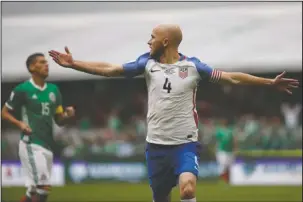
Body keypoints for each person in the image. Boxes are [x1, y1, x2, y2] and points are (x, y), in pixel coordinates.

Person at [49, 24, 299, 202]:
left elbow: (231, 77)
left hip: (185, 145)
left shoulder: (193, 67)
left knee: (188, 190)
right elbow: (110, 69)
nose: (148, 42)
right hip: (155, 146)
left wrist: (268, 83)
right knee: (161, 198)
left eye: (152, 37)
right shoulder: (146, 64)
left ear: (165, 41)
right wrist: (75, 64)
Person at [1, 53, 75, 202]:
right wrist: (20, 124)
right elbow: (4, 112)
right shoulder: (23, 89)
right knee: (44, 187)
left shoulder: (54, 90)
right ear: (32, 67)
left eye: (46, 62)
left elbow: (59, 120)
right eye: (41, 62)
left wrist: (67, 115)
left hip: (47, 144)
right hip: (31, 143)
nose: (46, 65)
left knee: (34, 191)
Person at [215, 118, 237, 184]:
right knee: (223, 165)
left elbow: (234, 140)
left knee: (229, 166)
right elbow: (217, 141)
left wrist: (235, 148)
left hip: (230, 151)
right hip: (222, 151)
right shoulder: (219, 131)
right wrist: (216, 149)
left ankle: (228, 181)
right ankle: (222, 180)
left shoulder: (230, 130)